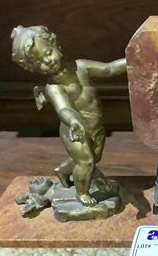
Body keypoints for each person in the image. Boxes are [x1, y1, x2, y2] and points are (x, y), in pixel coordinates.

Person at [11, 25, 126, 206]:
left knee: (94, 158)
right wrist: (74, 121)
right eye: (39, 62)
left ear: (56, 45)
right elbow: (64, 109)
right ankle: (82, 193)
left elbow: (109, 69)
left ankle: (63, 170)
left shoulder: (81, 66)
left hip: (96, 126)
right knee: (86, 162)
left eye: (48, 53)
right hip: (73, 130)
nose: (48, 61)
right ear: (33, 68)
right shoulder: (54, 88)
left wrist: (131, 61)